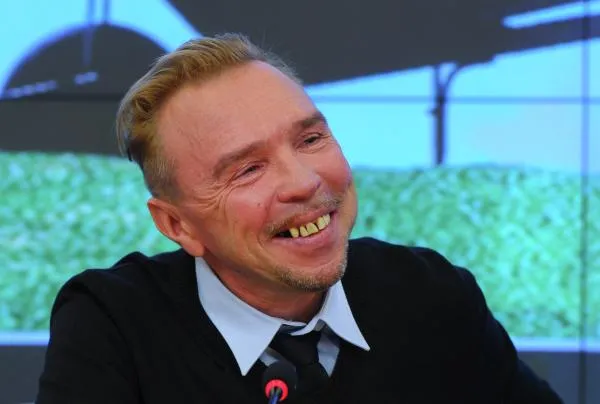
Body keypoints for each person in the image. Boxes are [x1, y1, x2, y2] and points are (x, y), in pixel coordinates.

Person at [36, 33, 563, 404]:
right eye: (247, 169)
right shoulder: (113, 324)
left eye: (311, 139)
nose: (304, 182)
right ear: (178, 226)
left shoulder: (432, 295)